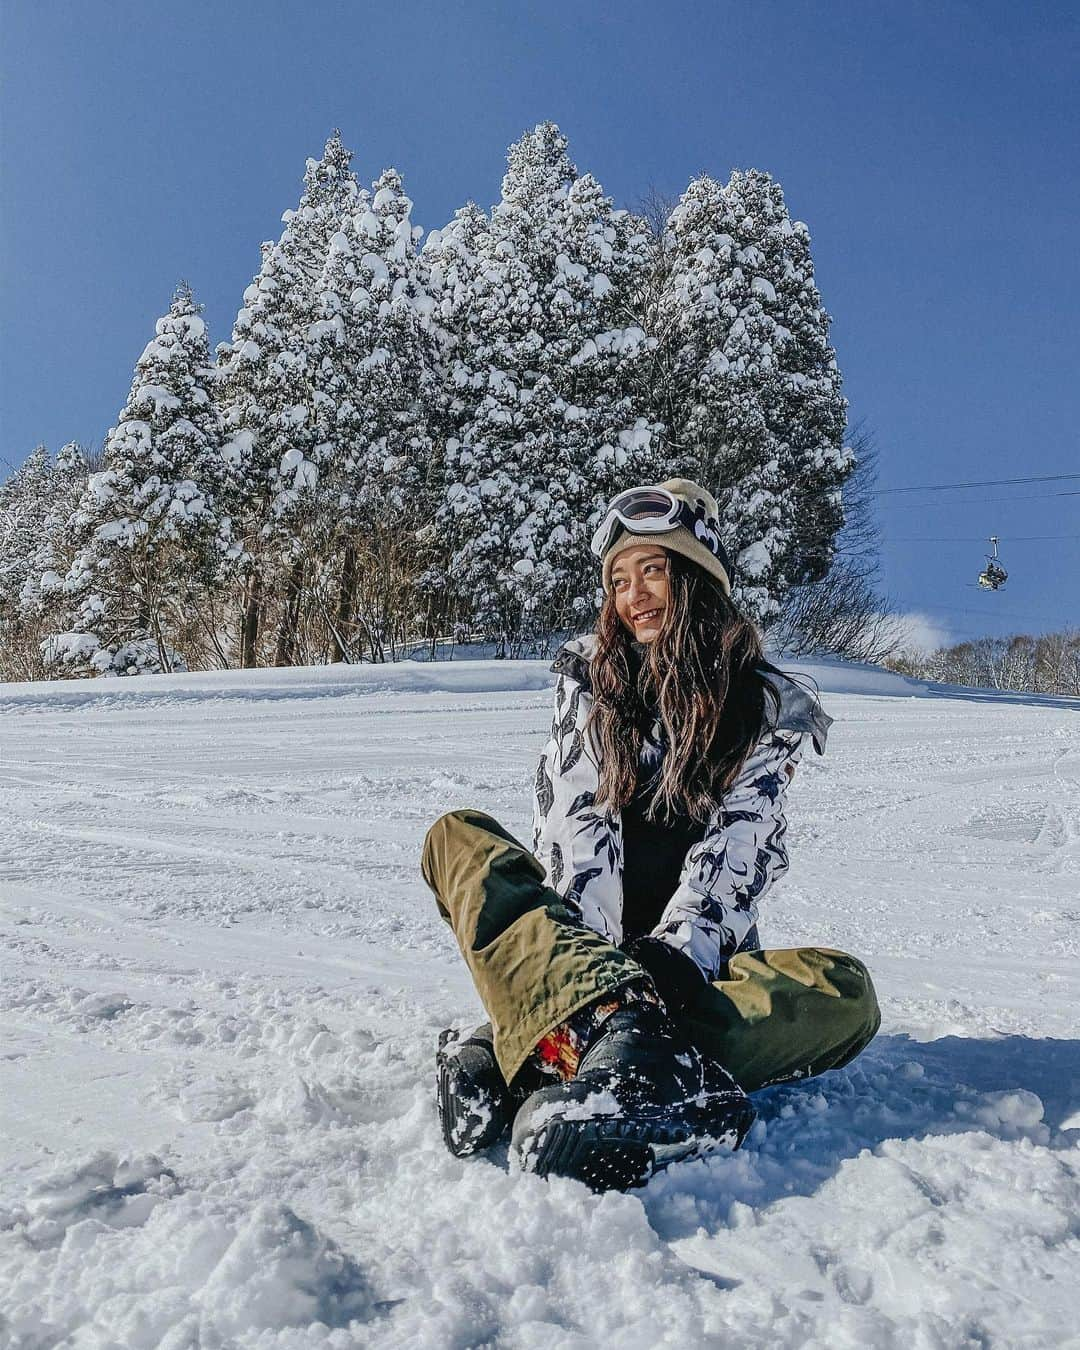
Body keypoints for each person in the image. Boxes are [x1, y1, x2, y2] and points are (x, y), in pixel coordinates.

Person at [422, 479, 879, 1191]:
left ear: (697, 579)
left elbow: (734, 857)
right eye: (619, 579)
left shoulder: (763, 712)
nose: (634, 594)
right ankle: (625, 1060)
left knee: (846, 991)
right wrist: (603, 988)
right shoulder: (591, 688)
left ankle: (536, 1050)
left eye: (655, 570)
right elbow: (578, 837)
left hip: (690, 975)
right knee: (456, 838)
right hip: (579, 957)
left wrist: (664, 970)